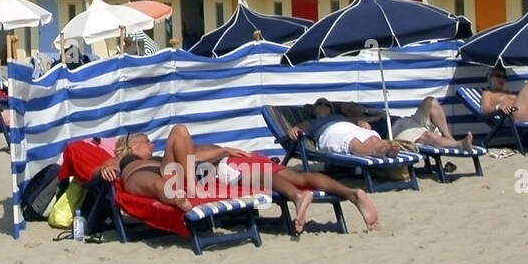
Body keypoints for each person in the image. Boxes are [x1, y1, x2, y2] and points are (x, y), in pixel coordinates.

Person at [76, 127, 379, 232]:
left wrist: (224, 149)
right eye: (145, 142)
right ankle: (350, 194)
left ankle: (350, 195)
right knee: (288, 179)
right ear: (130, 145)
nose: (150, 145)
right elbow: (96, 171)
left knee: (179, 131)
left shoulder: (157, 158)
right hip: (162, 180)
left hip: (189, 175)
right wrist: (103, 169)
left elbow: (197, 152)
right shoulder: (125, 158)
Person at [286, 98, 404, 158]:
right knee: (352, 142)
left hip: (350, 126)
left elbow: (356, 120)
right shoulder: (311, 122)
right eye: (319, 104)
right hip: (329, 131)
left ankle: (388, 148)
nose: (323, 106)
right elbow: (295, 128)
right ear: (313, 109)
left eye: (327, 105)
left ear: (331, 109)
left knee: (372, 137)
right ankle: (373, 151)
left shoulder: (339, 116)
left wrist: (361, 122)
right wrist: (292, 130)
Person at [388, 96, 472, 149]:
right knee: (427, 135)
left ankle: (448, 137)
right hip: (394, 129)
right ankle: (458, 144)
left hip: (408, 120)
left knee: (430, 101)